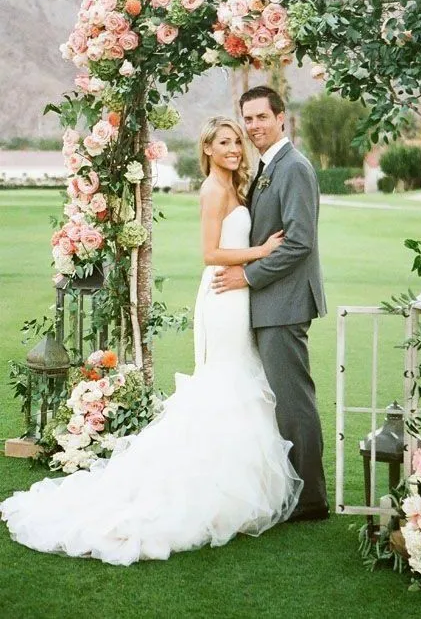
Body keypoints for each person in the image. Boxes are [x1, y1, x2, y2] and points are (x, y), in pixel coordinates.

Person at [0, 116, 303, 566]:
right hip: (222, 296)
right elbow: (210, 253)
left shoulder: (236, 187)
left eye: (236, 141)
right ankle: (206, 487)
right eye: (224, 142)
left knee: (239, 377)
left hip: (238, 296)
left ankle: (231, 487)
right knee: (223, 382)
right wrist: (261, 252)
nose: (234, 148)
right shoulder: (213, 191)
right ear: (208, 149)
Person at [212, 86, 329, 521]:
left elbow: (299, 241)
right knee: (277, 402)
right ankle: (289, 488)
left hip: (285, 303)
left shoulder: (294, 167)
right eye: (249, 118)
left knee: (294, 401)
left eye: (262, 117)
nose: (254, 126)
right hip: (268, 303)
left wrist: (247, 274)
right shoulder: (267, 167)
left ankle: (312, 500)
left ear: (282, 117)